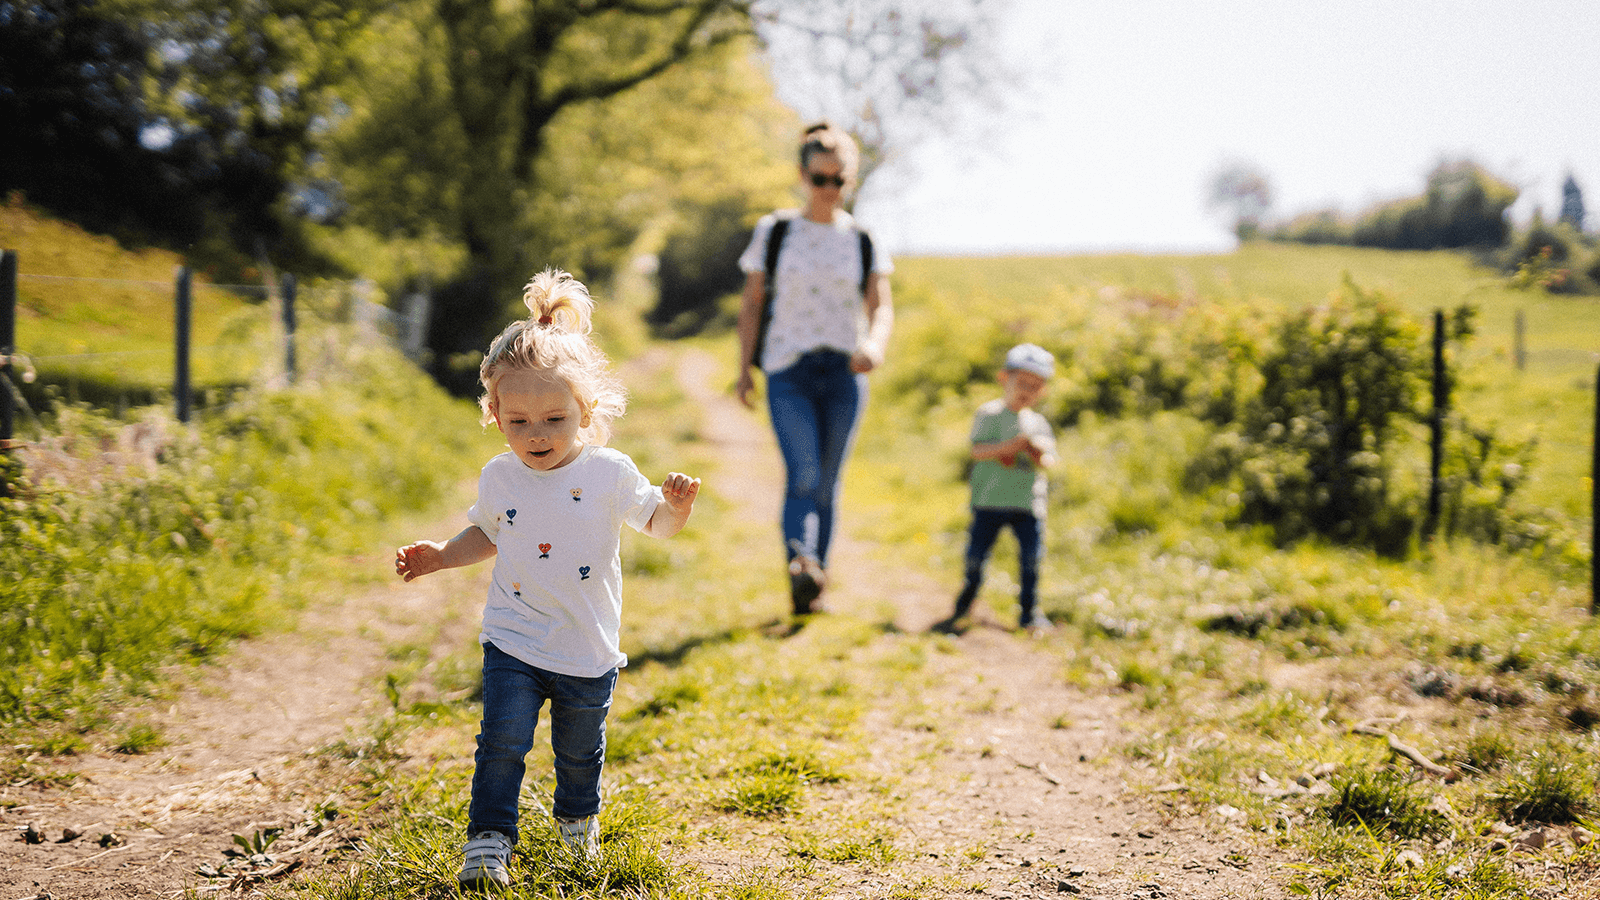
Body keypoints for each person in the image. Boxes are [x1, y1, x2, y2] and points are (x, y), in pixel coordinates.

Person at [394, 269, 701, 888]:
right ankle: (488, 841)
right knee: (502, 742)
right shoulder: (500, 477)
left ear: (585, 412)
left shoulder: (611, 473)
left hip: (586, 646)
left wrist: (676, 508)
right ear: (495, 412)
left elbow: (657, 526)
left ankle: (575, 830)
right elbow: (486, 533)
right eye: (519, 421)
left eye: (554, 420)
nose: (536, 436)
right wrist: (440, 556)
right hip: (513, 637)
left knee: (578, 753)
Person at [735, 121, 894, 615]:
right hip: (789, 368)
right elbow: (752, 304)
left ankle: (813, 584)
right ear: (803, 176)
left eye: (838, 180)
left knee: (829, 482)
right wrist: (743, 369)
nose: (829, 189)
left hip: (845, 372)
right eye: (819, 178)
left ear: (849, 182)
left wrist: (873, 343)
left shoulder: (863, 238)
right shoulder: (777, 231)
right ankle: (801, 564)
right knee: (803, 474)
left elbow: (881, 305)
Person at [937, 343, 1058, 633]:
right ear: (1005, 379)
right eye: (1023, 382)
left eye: (1036, 385)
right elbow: (977, 451)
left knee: (1031, 561)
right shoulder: (989, 413)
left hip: (1028, 504)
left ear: (1043, 391)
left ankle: (1029, 614)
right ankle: (965, 602)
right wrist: (1010, 446)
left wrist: (1036, 452)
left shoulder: (1038, 424)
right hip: (989, 501)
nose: (1027, 390)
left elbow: (1050, 461)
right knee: (976, 558)